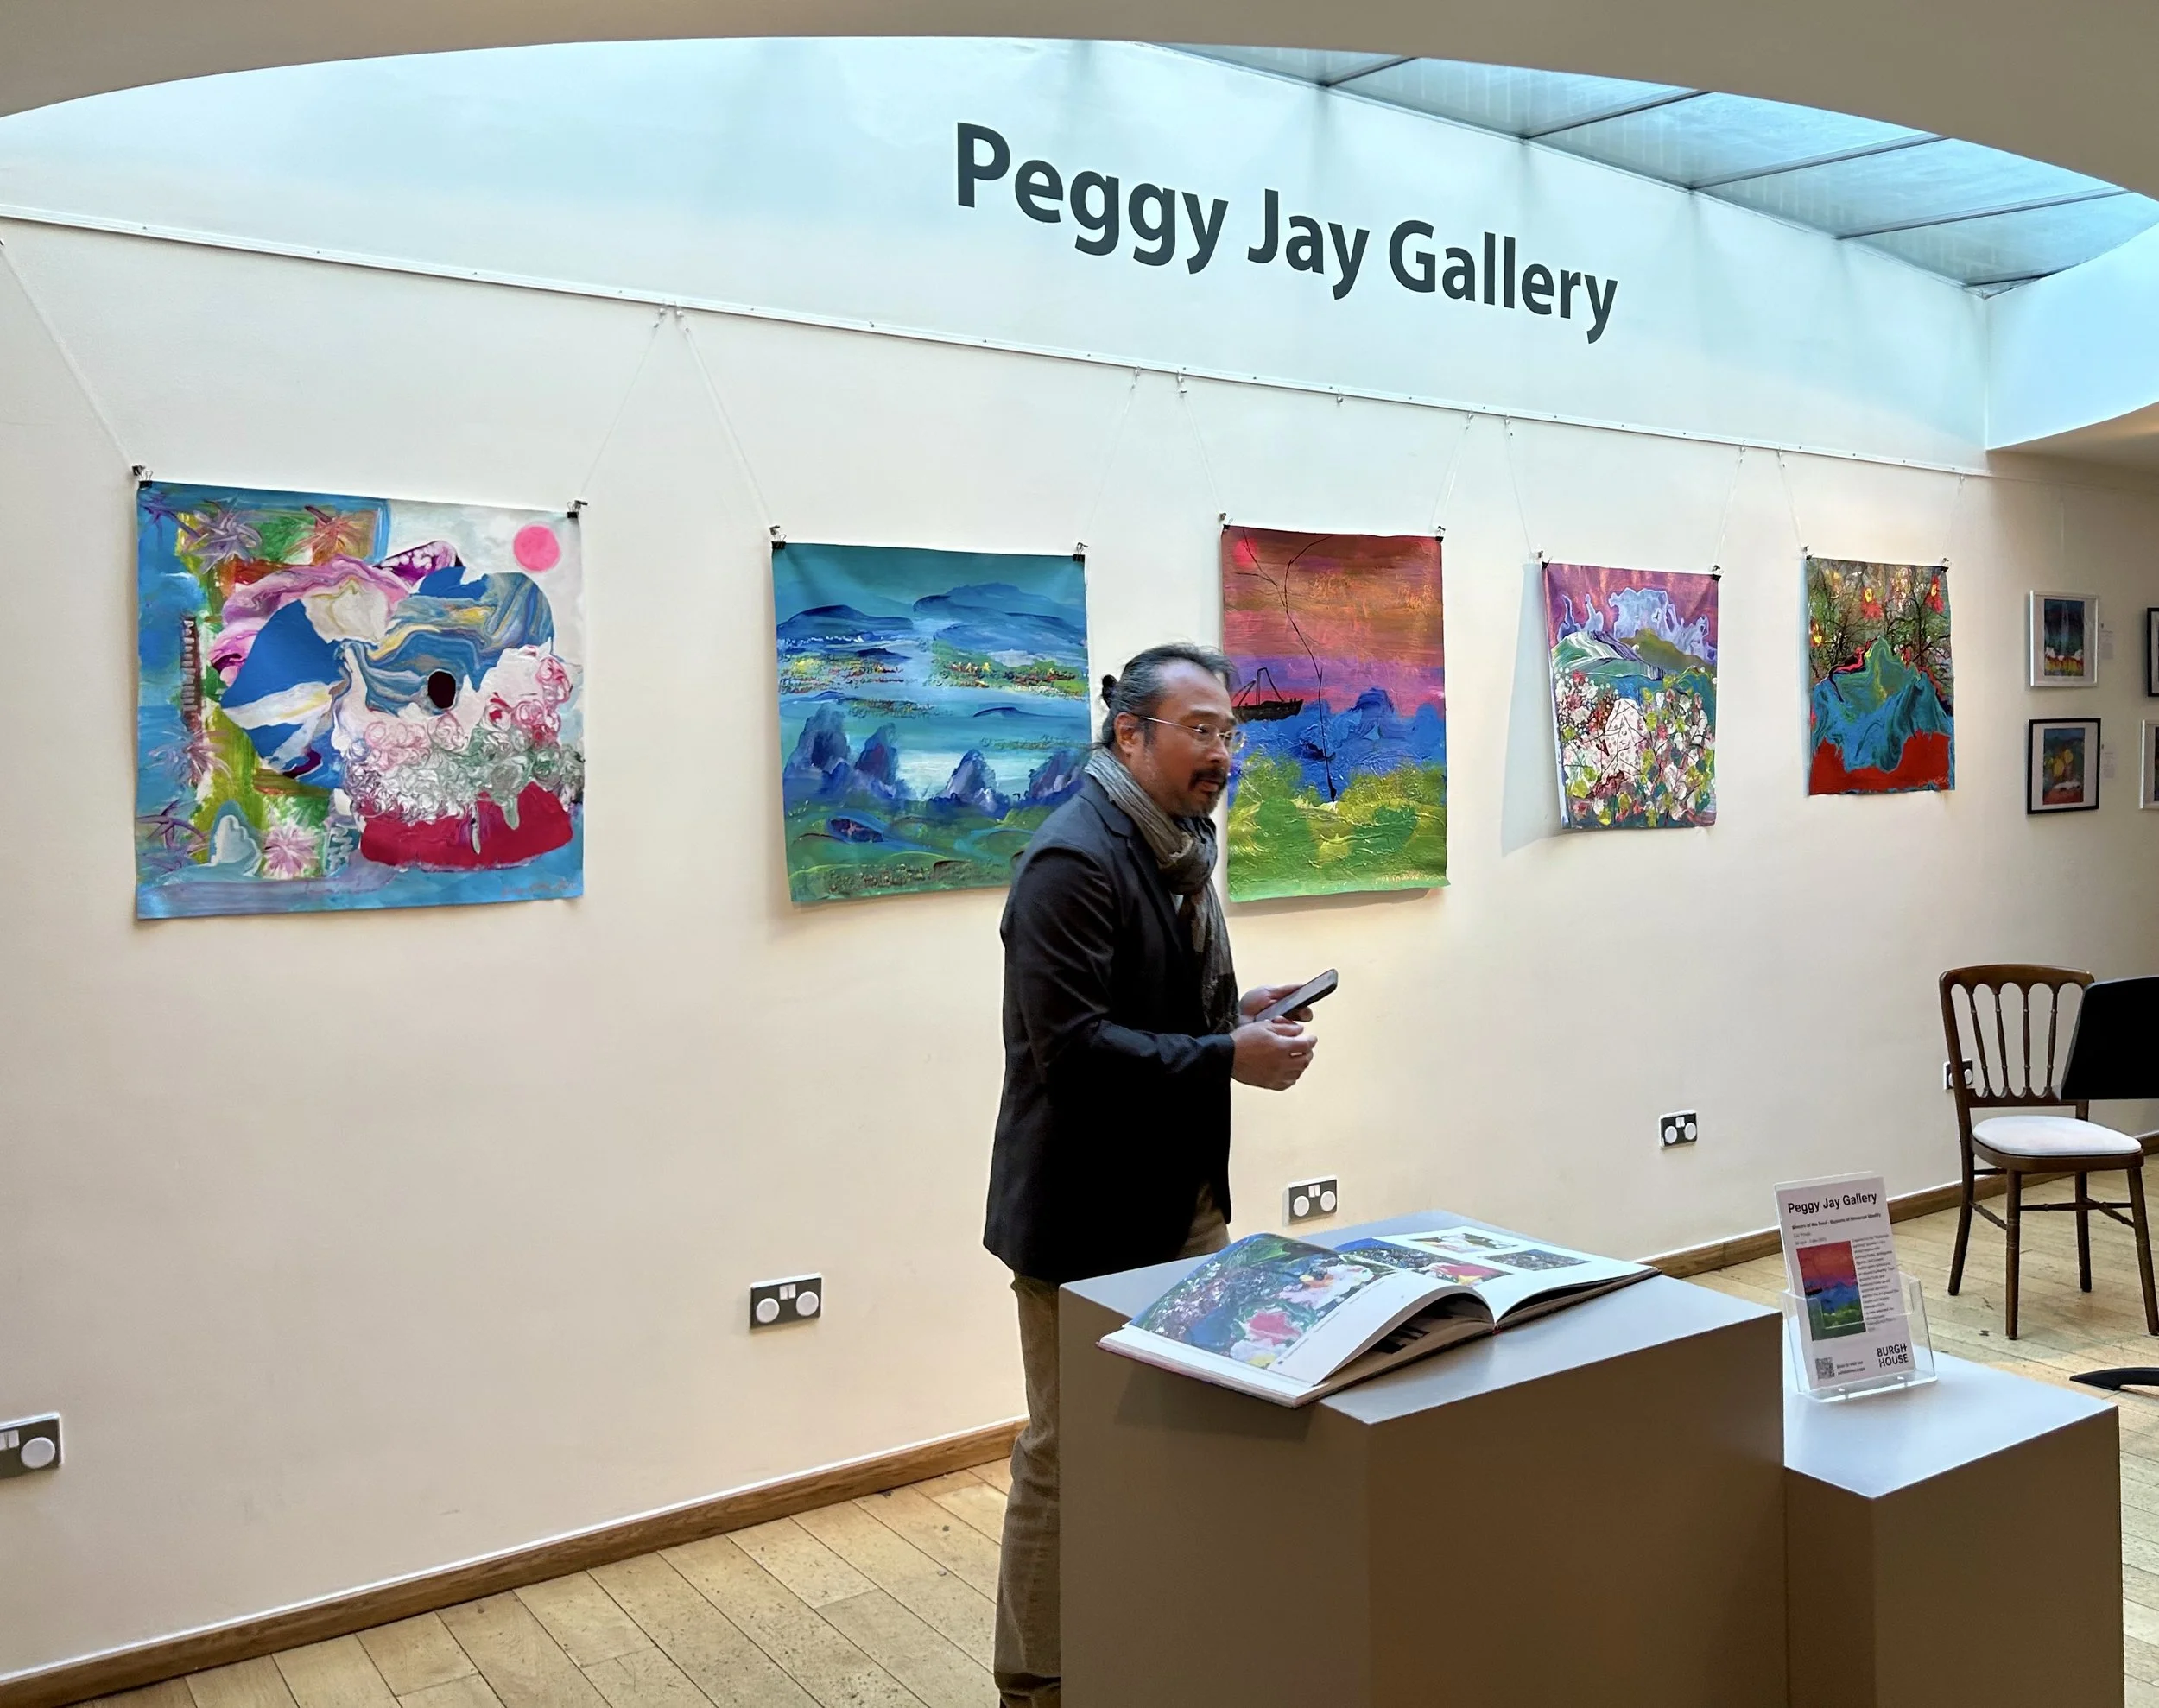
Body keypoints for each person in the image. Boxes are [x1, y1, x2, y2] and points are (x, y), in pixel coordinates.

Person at [982, 642, 1319, 1708]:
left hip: (1178, 1205)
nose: (1223, 752)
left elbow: (1147, 1008)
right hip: (1085, 1216)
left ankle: (1153, 1636)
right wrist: (1227, 1056)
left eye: (1231, 732)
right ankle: (1037, 1680)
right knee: (1067, 1453)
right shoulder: (1074, 860)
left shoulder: (1173, 846)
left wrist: (1232, 1011)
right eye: (1202, 730)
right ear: (1130, 733)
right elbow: (1070, 1052)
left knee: (1170, 1438)